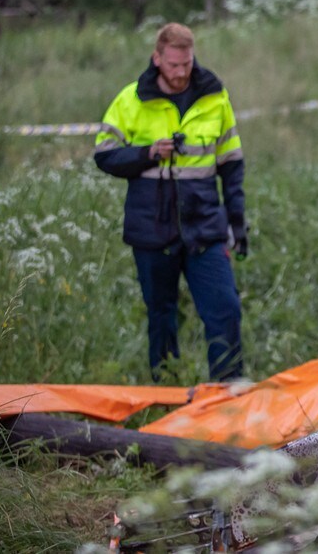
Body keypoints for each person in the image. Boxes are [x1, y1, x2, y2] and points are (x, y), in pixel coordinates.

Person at [94, 22, 247, 382]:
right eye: (174, 65)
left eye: (187, 64)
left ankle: (230, 394)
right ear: (157, 58)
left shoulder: (214, 96)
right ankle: (166, 397)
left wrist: (237, 223)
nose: (181, 73)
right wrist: (147, 154)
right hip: (152, 228)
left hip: (205, 225)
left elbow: (233, 165)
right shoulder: (131, 99)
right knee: (162, 318)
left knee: (225, 309)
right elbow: (104, 156)